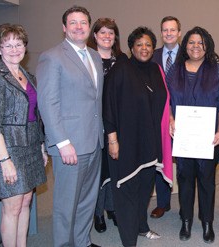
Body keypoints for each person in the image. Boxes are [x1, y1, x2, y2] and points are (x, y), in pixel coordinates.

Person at [36, 6, 103, 247]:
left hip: (94, 141)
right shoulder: (52, 57)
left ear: (89, 26)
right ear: (64, 28)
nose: (78, 27)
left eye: (83, 22)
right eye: (72, 23)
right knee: (66, 204)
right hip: (70, 145)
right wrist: (62, 142)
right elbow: (47, 102)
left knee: (87, 199)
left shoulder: (94, 56)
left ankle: (82, 242)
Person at [103, 26, 172, 247]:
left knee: (145, 189)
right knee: (127, 193)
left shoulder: (155, 70)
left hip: (150, 142)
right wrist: (112, 139)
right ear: (132, 47)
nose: (144, 48)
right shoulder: (120, 69)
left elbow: (163, 102)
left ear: (154, 48)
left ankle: (141, 227)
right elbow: (108, 106)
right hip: (127, 143)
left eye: (148, 45)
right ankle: (129, 239)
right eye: (139, 44)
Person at [0, 23, 47, 247]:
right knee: (12, 206)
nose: (14, 49)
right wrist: (4, 161)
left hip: (30, 145)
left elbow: (34, 116)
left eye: (18, 44)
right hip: (7, 147)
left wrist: (40, 147)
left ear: (25, 47)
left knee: (26, 200)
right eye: (7, 45)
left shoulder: (29, 76)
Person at [166, 26, 219, 244]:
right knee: (184, 179)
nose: (196, 46)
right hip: (182, 136)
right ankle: (186, 221)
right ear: (185, 45)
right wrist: (171, 120)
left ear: (207, 46)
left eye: (200, 42)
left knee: (206, 180)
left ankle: (207, 222)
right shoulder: (174, 70)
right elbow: (167, 101)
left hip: (209, 136)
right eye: (191, 42)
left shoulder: (217, 70)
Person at [87, 17, 128, 233]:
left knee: (115, 167)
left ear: (115, 37)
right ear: (94, 35)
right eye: (102, 32)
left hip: (117, 122)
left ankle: (112, 208)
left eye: (111, 33)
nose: (106, 36)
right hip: (94, 122)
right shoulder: (87, 59)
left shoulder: (122, 60)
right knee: (98, 170)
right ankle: (97, 212)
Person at [149, 15, 181, 219]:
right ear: (161, 33)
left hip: (184, 117)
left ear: (179, 33)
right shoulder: (151, 55)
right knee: (159, 159)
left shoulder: (189, 54)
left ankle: (186, 205)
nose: (168, 33)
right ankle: (163, 203)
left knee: (185, 162)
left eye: (172, 30)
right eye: (165, 30)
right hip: (158, 117)